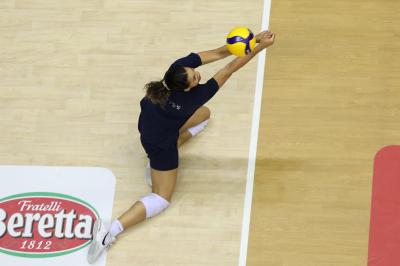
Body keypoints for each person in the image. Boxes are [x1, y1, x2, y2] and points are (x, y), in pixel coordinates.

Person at [87, 30, 275, 264]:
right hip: (160, 145)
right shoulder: (191, 98)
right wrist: (259, 48)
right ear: (185, 89)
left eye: (194, 72)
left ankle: (161, 158)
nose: (198, 75)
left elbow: (218, 53)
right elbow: (228, 69)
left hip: (150, 126)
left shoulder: (174, 71)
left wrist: (249, 41)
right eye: (195, 78)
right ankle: (111, 230)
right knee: (161, 198)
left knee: (204, 115)